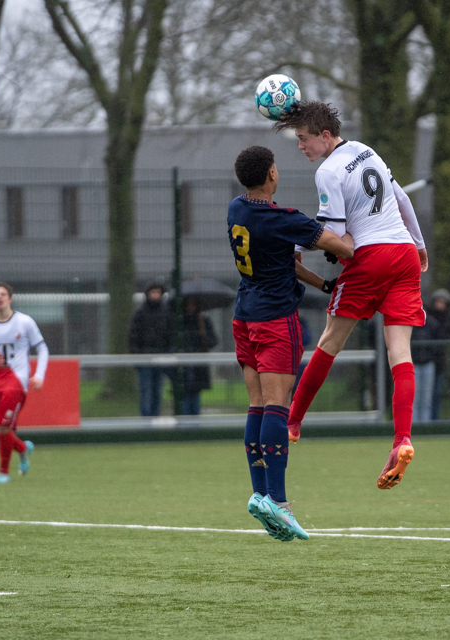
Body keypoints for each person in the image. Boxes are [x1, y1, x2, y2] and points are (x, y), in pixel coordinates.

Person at [273, 101, 428, 490]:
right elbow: (402, 201)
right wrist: (420, 245)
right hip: (405, 253)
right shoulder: (366, 150)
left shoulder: (327, 172)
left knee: (330, 341)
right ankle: (402, 439)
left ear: (325, 135)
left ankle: (292, 423)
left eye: (304, 138)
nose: (301, 146)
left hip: (372, 257)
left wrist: (295, 244)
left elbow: (339, 240)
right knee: (401, 353)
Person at [228, 144, 354, 541]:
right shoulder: (282, 219)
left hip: (244, 317)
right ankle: (278, 502)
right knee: (277, 409)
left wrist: (325, 284)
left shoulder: (237, 208)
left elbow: (290, 263)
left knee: (258, 406)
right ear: (271, 175)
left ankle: (260, 493)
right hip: (274, 320)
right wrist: (351, 228)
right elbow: (343, 247)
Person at [0, 282, 47, 484]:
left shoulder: (24, 322)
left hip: (16, 381)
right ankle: (23, 449)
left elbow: (42, 349)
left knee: (4, 429)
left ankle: (3, 473)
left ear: (10, 298)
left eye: (3, 294)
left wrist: (39, 375)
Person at [129, 282, 175, 417]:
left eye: (158, 292)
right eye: (153, 292)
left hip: (161, 358)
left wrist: (168, 353)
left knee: (157, 390)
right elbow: (133, 336)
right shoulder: (140, 313)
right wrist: (137, 356)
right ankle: (146, 419)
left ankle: (155, 417)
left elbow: (171, 334)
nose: (155, 295)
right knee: (146, 390)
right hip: (144, 358)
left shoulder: (167, 312)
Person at [181, 296, 218, 415]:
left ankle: (195, 423)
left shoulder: (204, 321)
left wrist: (204, 339)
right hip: (185, 364)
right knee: (185, 393)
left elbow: (213, 340)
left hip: (198, 365)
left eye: (194, 304)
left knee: (195, 393)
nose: (191, 307)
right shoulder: (180, 322)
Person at [428, 289, 450, 420]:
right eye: (438, 301)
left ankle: (434, 419)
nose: (440, 304)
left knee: (437, 393)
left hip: (439, 362)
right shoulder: (428, 318)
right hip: (426, 359)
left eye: (443, 302)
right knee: (424, 394)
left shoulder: (448, 319)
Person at [410, 311, 440, 424]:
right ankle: (414, 426)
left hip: (428, 363)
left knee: (426, 399)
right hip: (414, 364)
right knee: (414, 398)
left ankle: (425, 426)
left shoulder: (432, 323)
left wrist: (430, 355)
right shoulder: (410, 323)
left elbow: (437, 343)